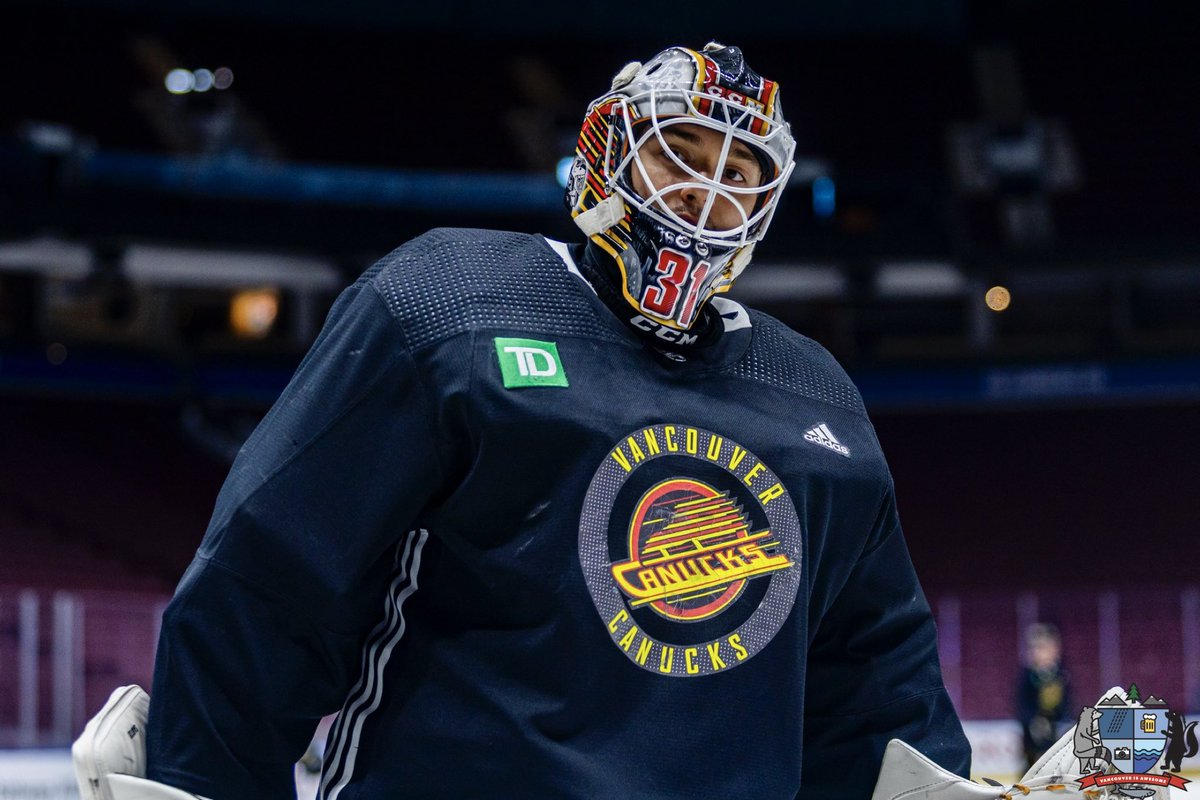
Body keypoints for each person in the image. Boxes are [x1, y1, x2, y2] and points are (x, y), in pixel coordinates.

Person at [81, 42, 971, 798]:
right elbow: (268, 592)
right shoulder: (445, 306)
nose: (707, 194)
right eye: (681, 151)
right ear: (608, 153)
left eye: (737, 173)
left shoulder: (815, 395)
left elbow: (879, 685)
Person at [1016, 622, 1073, 769]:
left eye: (1043, 647)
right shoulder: (1028, 675)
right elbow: (1022, 704)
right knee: (1033, 766)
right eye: (1036, 648)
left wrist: (1065, 720)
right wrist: (1033, 721)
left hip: (1057, 728)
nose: (1038, 652)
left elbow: (1068, 702)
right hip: (1033, 732)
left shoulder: (1061, 674)